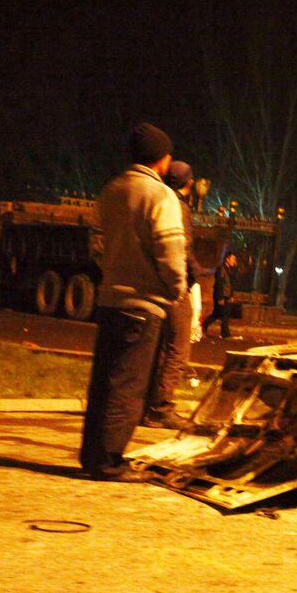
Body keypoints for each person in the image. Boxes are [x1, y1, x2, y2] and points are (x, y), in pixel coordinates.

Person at [78, 123, 187, 481]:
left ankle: (92, 454)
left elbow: (96, 245)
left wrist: (112, 271)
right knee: (128, 386)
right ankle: (109, 461)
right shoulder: (160, 196)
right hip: (144, 305)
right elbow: (170, 250)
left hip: (110, 300)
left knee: (104, 381)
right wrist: (177, 287)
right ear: (163, 159)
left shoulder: (112, 190)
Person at [144, 160, 204, 429]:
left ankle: (150, 404)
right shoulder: (178, 207)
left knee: (160, 348)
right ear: (189, 184)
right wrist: (199, 272)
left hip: (155, 284)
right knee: (178, 350)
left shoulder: (157, 199)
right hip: (176, 286)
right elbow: (183, 246)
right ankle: (161, 408)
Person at [201, 252, 237, 338]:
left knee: (216, 314)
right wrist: (220, 298)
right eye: (233, 259)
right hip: (221, 295)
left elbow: (231, 283)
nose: (234, 261)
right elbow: (219, 284)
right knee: (225, 315)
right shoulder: (221, 269)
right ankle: (225, 334)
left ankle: (203, 327)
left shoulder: (229, 269)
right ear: (227, 259)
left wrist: (231, 295)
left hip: (226, 295)